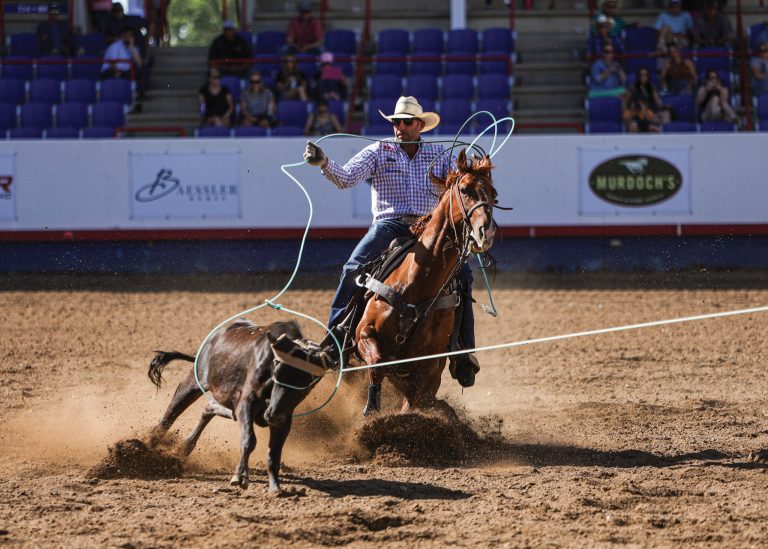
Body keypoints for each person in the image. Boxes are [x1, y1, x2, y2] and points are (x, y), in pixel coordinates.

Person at [302, 96, 481, 388]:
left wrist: (473, 170)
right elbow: (346, 178)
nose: (399, 126)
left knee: (464, 276)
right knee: (352, 268)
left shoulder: (440, 154)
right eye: (396, 122)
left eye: (406, 122)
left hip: (429, 227)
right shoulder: (379, 150)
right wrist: (323, 161)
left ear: (420, 125)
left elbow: (462, 182)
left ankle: (463, 352)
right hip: (389, 225)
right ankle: (334, 342)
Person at [624, 68, 668, 133]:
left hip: (649, 113)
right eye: (641, 75)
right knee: (631, 121)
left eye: (645, 75)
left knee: (666, 115)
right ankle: (646, 127)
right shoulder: (632, 88)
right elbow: (625, 104)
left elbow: (658, 103)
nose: (643, 77)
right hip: (636, 113)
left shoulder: (652, 88)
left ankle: (652, 130)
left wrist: (662, 105)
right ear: (638, 77)